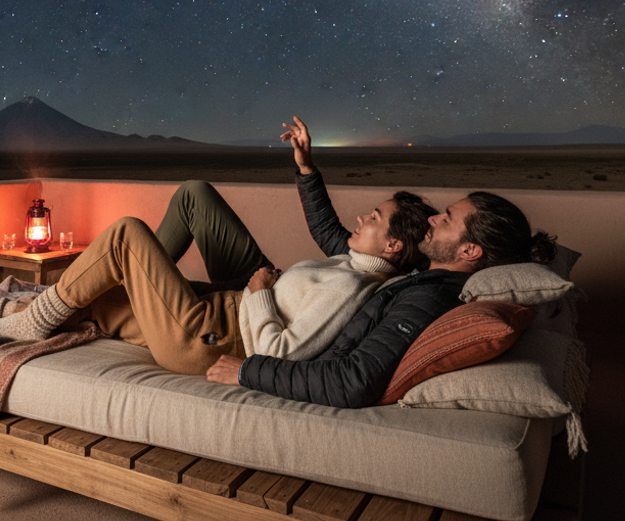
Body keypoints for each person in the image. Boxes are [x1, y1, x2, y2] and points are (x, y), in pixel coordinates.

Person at [0, 118, 439, 375]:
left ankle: (26, 320)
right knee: (193, 194)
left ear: (393, 246)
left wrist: (263, 290)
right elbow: (330, 229)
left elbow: (278, 351)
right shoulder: (354, 259)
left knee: (123, 235)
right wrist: (307, 166)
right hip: (231, 301)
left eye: (374, 217)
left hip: (216, 333)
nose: (361, 217)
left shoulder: (353, 286)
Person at [205, 117, 559, 407]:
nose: (433, 221)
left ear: (470, 252)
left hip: (263, 332)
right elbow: (337, 238)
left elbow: (353, 381)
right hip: (265, 299)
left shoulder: (428, 298)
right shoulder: (424, 273)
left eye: (447, 219)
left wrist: (246, 372)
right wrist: (307, 169)